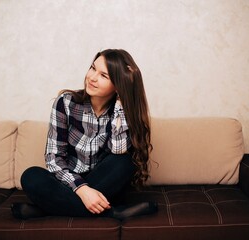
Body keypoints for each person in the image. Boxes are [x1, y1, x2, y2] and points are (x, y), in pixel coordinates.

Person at [11, 49, 157, 220]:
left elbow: (118, 150)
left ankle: (45, 210)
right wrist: (83, 189)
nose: (92, 77)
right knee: (31, 176)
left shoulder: (122, 112)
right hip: (69, 183)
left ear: (118, 85)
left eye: (104, 76)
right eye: (93, 68)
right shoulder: (66, 103)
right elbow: (54, 158)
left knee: (124, 161)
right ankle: (113, 213)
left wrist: (121, 103)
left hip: (105, 185)